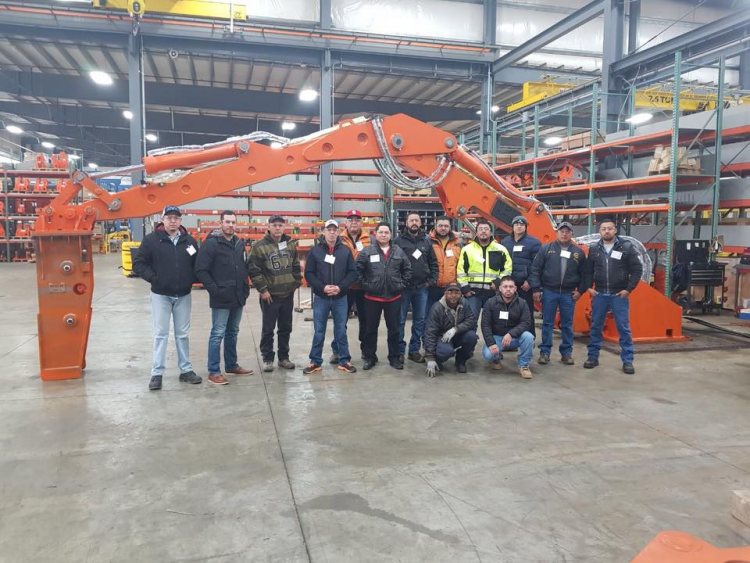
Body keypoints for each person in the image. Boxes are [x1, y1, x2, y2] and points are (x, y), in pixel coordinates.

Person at [133, 205, 201, 391]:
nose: (173, 221)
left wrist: (192, 279)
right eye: (169, 217)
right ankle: (157, 373)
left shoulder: (189, 242)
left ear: (180, 221)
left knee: (182, 335)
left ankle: (186, 370)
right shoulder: (151, 241)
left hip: (183, 296)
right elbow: (138, 264)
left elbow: (197, 265)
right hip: (160, 295)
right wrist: (154, 278)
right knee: (161, 334)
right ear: (162, 219)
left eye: (176, 218)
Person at [195, 210, 254, 385]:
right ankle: (213, 371)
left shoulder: (238, 243)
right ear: (220, 223)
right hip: (221, 297)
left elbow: (242, 267)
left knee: (232, 332)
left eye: (233, 222)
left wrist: (245, 288)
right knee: (217, 333)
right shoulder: (211, 244)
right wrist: (214, 290)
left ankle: (231, 365)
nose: (230, 225)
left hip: (237, 296)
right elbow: (201, 270)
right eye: (227, 222)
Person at [583, 218, 643, 375]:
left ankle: (628, 361)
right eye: (603, 229)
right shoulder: (595, 249)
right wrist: (589, 287)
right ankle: (592, 357)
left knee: (623, 328)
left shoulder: (626, 247)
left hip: (619, 295)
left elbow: (637, 270)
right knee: (596, 327)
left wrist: (628, 289)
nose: (607, 231)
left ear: (615, 230)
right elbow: (588, 270)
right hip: (600, 294)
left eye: (609, 228)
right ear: (600, 231)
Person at [247, 215, 302, 373]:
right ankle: (267, 358)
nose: (278, 228)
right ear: (269, 226)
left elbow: (295, 264)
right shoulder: (259, 246)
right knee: (268, 329)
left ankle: (283, 358)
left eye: (280, 225)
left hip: (287, 294)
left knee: (285, 328)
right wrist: (263, 289)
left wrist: (296, 282)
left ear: (284, 227)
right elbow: (254, 270)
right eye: (274, 225)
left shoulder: (290, 244)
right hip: (270, 296)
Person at [303, 219, 358, 374]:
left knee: (341, 330)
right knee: (319, 330)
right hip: (321, 297)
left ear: (338, 232)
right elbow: (309, 273)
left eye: (335, 230)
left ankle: (344, 360)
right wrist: (323, 287)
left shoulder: (345, 251)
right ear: (324, 232)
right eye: (329, 229)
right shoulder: (315, 251)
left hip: (340, 298)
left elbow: (352, 273)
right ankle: (315, 361)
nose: (332, 232)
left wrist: (340, 287)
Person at [528, 221, 587, 366]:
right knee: (547, 323)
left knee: (567, 324)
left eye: (567, 231)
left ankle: (566, 354)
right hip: (549, 292)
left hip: (568, 294)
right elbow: (535, 269)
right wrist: (536, 289)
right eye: (562, 231)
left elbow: (585, 274)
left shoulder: (578, 253)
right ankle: (545, 353)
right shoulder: (546, 249)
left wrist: (580, 291)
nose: (564, 233)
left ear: (571, 233)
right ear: (557, 232)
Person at [355, 222, 412, 370]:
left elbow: (407, 270)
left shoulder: (398, 251)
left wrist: (400, 285)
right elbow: (357, 270)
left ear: (391, 234)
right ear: (376, 234)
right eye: (381, 232)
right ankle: (369, 357)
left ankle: (394, 358)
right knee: (370, 329)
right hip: (372, 298)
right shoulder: (367, 251)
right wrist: (366, 285)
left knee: (394, 330)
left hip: (393, 298)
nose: (384, 235)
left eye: (386, 232)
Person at [393, 212, 437, 363]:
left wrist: (431, 281)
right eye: (411, 220)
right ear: (406, 223)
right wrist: (398, 283)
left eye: (416, 220)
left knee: (420, 320)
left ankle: (414, 350)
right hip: (404, 289)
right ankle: (399, 351)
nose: (414, 222)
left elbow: (433, 263)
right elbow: (393, 264)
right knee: (400, 320)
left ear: (420, 223)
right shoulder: (398, 241)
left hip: (421, 288)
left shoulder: (426, 242)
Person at [480, 276, 535, 379]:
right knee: (488, 355)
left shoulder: (522, 303)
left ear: (515, 288)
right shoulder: (490, 303)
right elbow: (485, 325)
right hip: (497, 338)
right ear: (500, 288)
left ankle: (524, 366)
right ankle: (495, 359)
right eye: (505, 286)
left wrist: (511, 334)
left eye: (511, 286)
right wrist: (491, 343)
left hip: (515, 338)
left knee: (528, 337)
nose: (508, 289)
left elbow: (526, 322)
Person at [336, 209, 371, 364]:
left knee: (365, 320)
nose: (354, 222)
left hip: (364, 287)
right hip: (345, 287)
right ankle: (337, 351)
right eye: (351, 220)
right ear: (346, 223)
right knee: (341, 320)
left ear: (361, 222)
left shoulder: (370, 240)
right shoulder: (339, 239)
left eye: (357, 219)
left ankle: (366, 349)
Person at [457, 219, 513, 315]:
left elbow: (507, 269)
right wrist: (465, 288)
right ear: (476, 232)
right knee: (470, 321)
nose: (483, 231)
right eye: (480, 229)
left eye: (486, 229)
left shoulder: (501, 249)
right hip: (473, 293)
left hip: (493, 293)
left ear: (491, 232)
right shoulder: (467, 249)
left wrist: (498, 281)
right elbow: (461, 270)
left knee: (494, 322)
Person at [423, 283, 478, 376]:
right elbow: (430, 333)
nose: (453, 295)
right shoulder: (437, 308)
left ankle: (460, 361)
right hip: (442, 337)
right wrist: (430, 357)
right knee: (446, 352)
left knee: (472, 336)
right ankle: (437, 360)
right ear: (445, 294)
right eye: (450, 292)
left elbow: (471, 320)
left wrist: (456, 329)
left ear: (461, 294)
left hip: (457, 334)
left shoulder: (465, 303)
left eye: (457, 292)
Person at [501, 215, 541, 337]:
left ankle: (529, 338)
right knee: (508, 312)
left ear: (525, 227)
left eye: (522, 224)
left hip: (525, 285)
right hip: (509, 285)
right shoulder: (505, 242)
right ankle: (509, 339)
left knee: (526, 312)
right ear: (512, 227)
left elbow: (537, 265)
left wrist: (530, 282)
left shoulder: (534, 243)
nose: (519, 226)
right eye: (516, 224)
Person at [428, 216, 462, 312]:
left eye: (446, 226)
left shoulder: (457, 243)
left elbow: (461, 265)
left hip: (451, 287)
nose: (443, 228)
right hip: (432, 287)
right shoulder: (427, 241)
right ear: (435, 226)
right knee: (430, 316)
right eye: (440, 226)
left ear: (450, 227)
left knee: (449, 318)